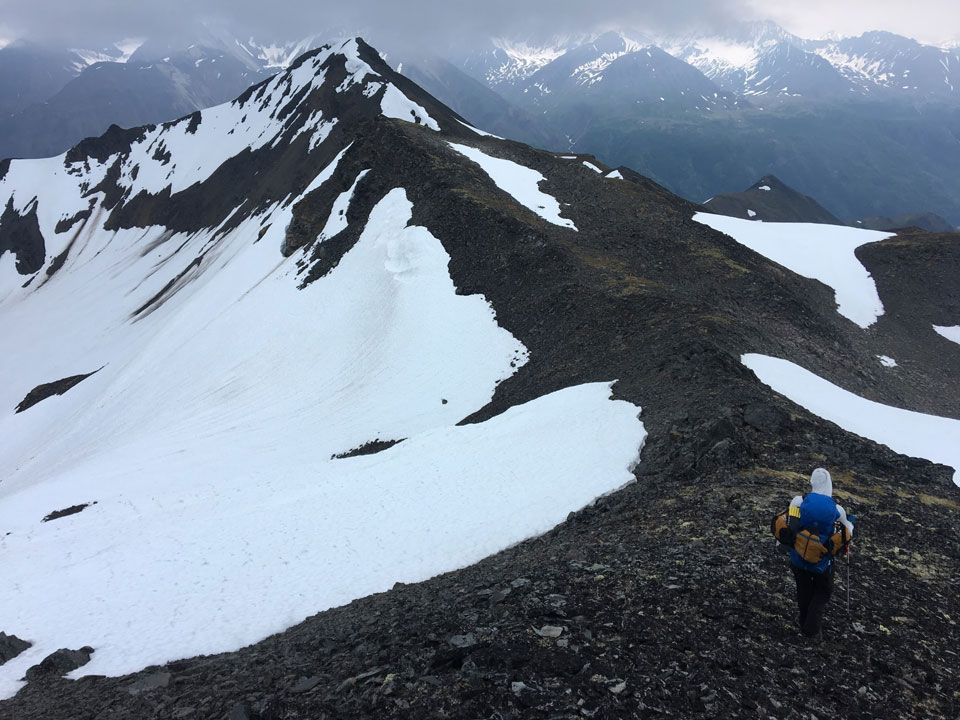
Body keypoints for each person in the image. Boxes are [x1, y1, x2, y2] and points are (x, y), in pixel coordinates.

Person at [781, 468, 855, 638]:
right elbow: (848, 532)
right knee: (823, 591)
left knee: (803, 589)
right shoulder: (837, 509)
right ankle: (812, 629)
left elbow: (791, 525)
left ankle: (804, 624)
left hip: (798, 556)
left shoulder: (798, 501)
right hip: (822, 560)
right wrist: (851, 521)